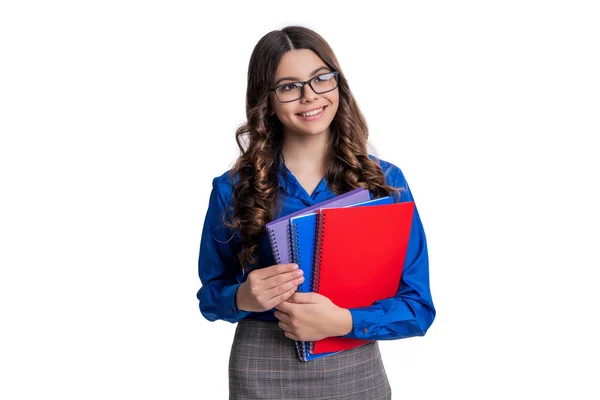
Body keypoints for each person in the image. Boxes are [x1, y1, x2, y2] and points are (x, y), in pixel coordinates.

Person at [196, 25, 435, 400]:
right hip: (262, 364)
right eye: (289, 86)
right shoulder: (232, 189)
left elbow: (418, 307)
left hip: (353, 362)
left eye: (321, 79)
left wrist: (342, 321)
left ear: (338, 84)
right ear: (267, 100)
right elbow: (210, 296)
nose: (309, 97)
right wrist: (243, 296)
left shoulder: (385, 183)